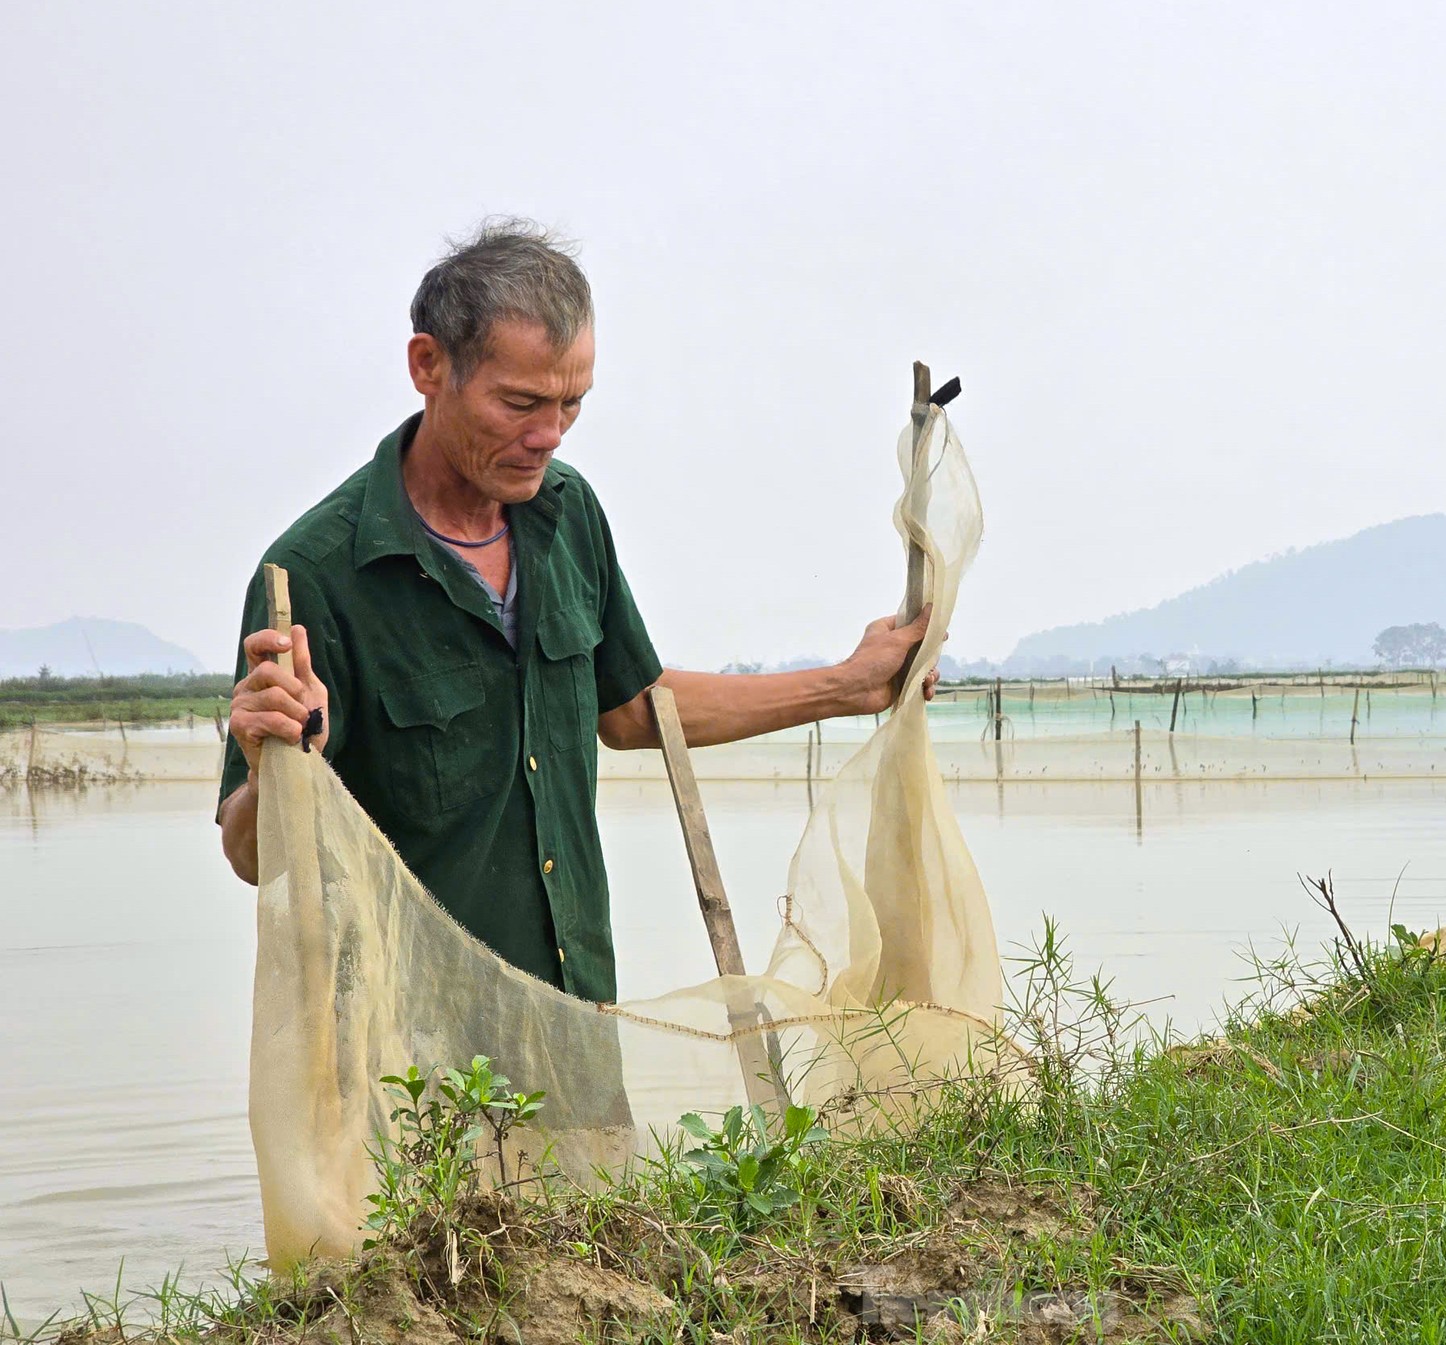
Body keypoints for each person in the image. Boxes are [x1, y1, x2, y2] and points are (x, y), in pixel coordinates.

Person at [217, 218, 936, 1004]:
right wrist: (274, 762)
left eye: (572, 404)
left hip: (577, 1018)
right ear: (429, 365)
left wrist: (852, 686)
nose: (548, 436)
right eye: (520, 403)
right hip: (408, 1061)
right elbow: (255, 857)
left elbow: (632, 709)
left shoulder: (569, 515)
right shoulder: (315, 576)